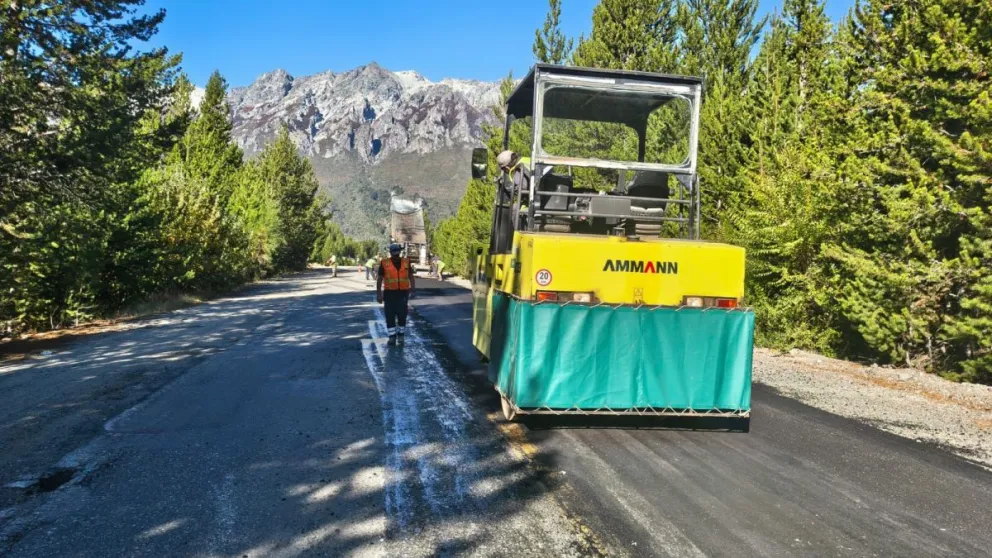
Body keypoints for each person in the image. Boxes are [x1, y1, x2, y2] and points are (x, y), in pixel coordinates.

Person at [377, 243, 415, 346]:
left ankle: (401, 336)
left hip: (403, 293)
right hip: (389, 294)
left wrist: (413, 289)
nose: (396, 256)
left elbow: (411, 276)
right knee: (390, 315)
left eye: (397, 253)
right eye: (394, 253)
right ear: (391, 253)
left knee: (402, 315)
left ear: (399, 252)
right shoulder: (384, 263)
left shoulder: (406, 262)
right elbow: (380, 279)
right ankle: (392, 337)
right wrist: (379, 294)